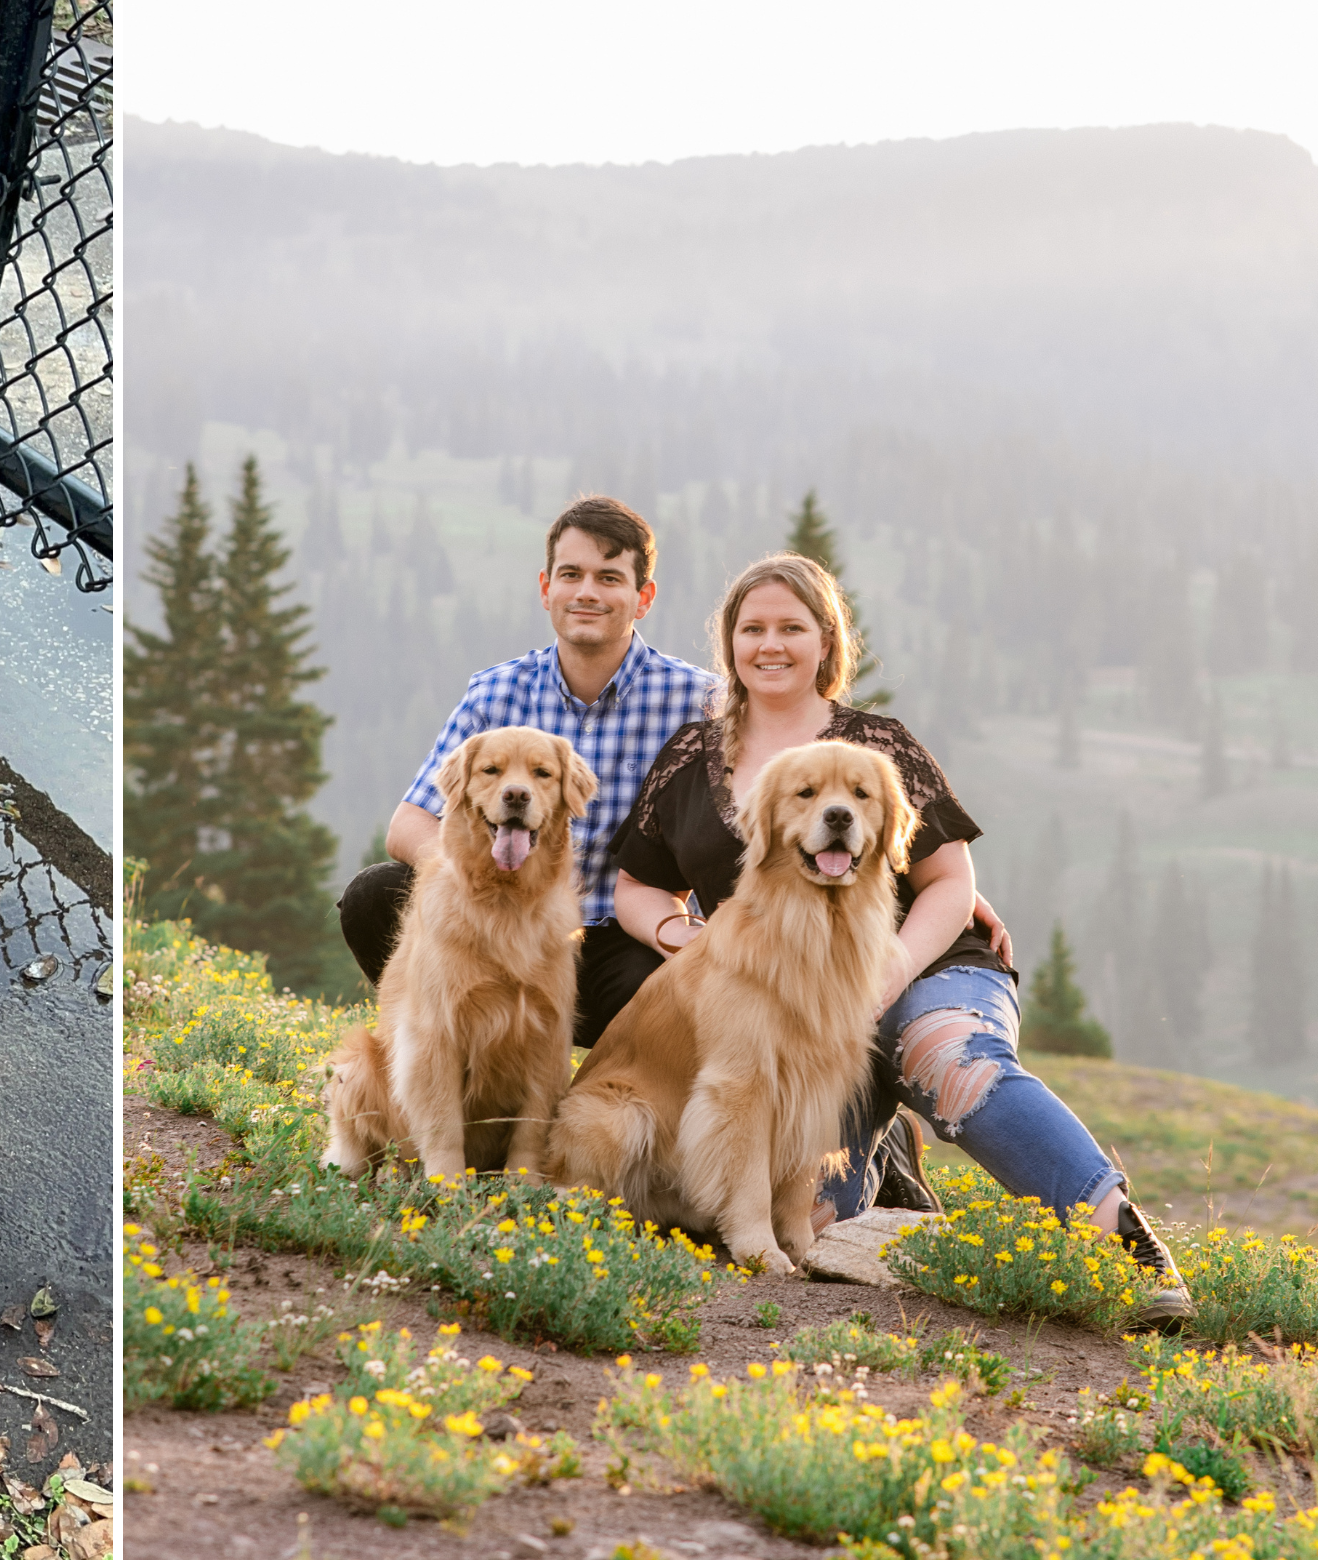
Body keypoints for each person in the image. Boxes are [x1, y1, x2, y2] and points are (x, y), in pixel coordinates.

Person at [607, 552, 1190, 1325]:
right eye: (753, 629)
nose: (771, 644)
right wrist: (681, 934)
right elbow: (636, 884)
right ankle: (886, 1155)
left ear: (827, 640)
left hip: (919, 966)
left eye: (793, 627)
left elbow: (951, 880)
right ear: (730, 643)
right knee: (813, 1233)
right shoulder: (691, 756)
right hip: (787, 997)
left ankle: (1128, 1247)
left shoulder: (879, 744)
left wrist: (898, 960)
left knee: (947, 1058)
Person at [339, 497, 719, 1047]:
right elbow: (409, 824)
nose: (586, 591)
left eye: (609, 577)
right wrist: (491, 884)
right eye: (571, 574)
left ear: (643, 598)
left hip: (617, 942)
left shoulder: (699, 701)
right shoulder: (496, 692)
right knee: (375, 895)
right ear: (546, 589)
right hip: (501, 928)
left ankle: (594, 1092)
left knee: (651, 977)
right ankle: (449, 1054)